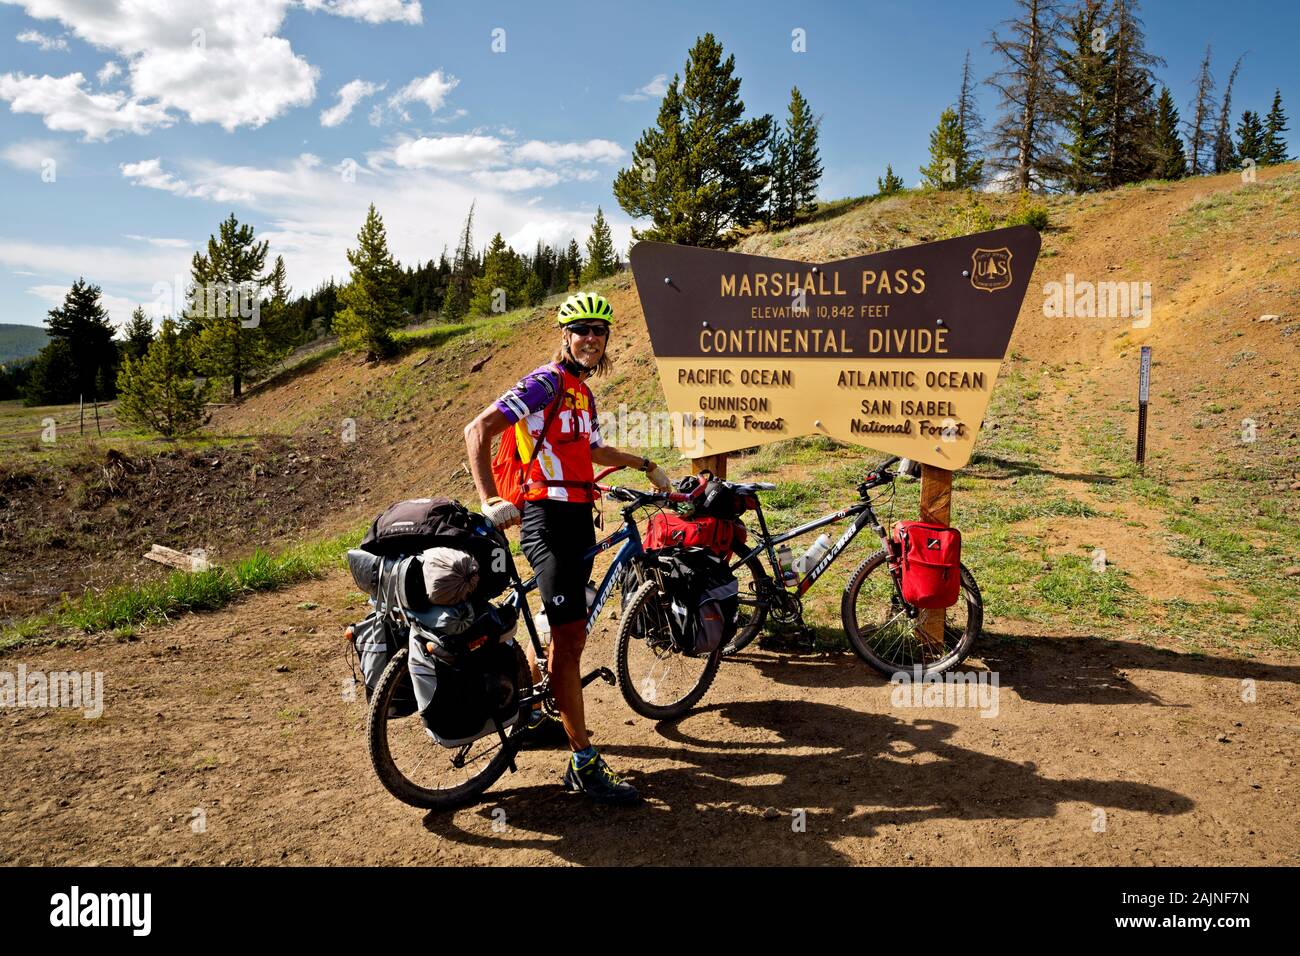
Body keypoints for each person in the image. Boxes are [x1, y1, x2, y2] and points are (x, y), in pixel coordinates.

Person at [464, 291, 671, 805]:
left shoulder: (582, 393)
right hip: (544, 518)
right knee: (573, 639)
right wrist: (490, 498)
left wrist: (644, 464)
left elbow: (592, 448)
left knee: (562, 630)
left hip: (578, 517)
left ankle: (534, 714)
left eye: (599, 332)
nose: (590, 339)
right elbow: (478, 428)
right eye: (581, 331)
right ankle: (583, 762)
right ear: (565, 335)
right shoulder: (545, 382)